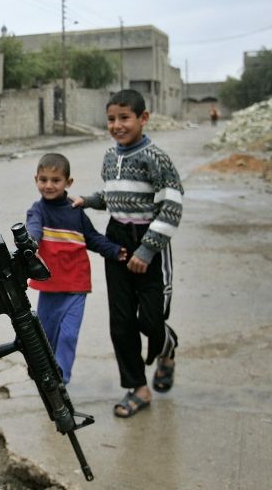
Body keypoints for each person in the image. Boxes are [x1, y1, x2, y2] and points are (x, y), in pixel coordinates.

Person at [72, 89, 183, 418]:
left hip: (150, 241)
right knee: (121, 322)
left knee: (150, 321)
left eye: (125, 118)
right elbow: (114, 197)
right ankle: (138, 388)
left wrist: (147, 250)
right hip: (117, 238)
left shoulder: (156, 158)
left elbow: (171, 208)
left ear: (143, 118)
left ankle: (167, 345)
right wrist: (88, 201)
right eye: (111, 119)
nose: (117, 125)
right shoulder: (110, 157)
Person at [26, 153, 126, 385]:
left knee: (69, 335)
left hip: (75, 286)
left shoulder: (75, 211)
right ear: (36, 179)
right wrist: (31, 244)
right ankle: (45, 375)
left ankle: (61, 379)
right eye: (43, 179)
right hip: (50, 287)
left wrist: (113, 250)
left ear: (68, 183)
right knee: (46, 338)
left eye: (55, 180)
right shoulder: (37, 211)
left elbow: (91, 238)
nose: (48, 185)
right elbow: (33, 229)